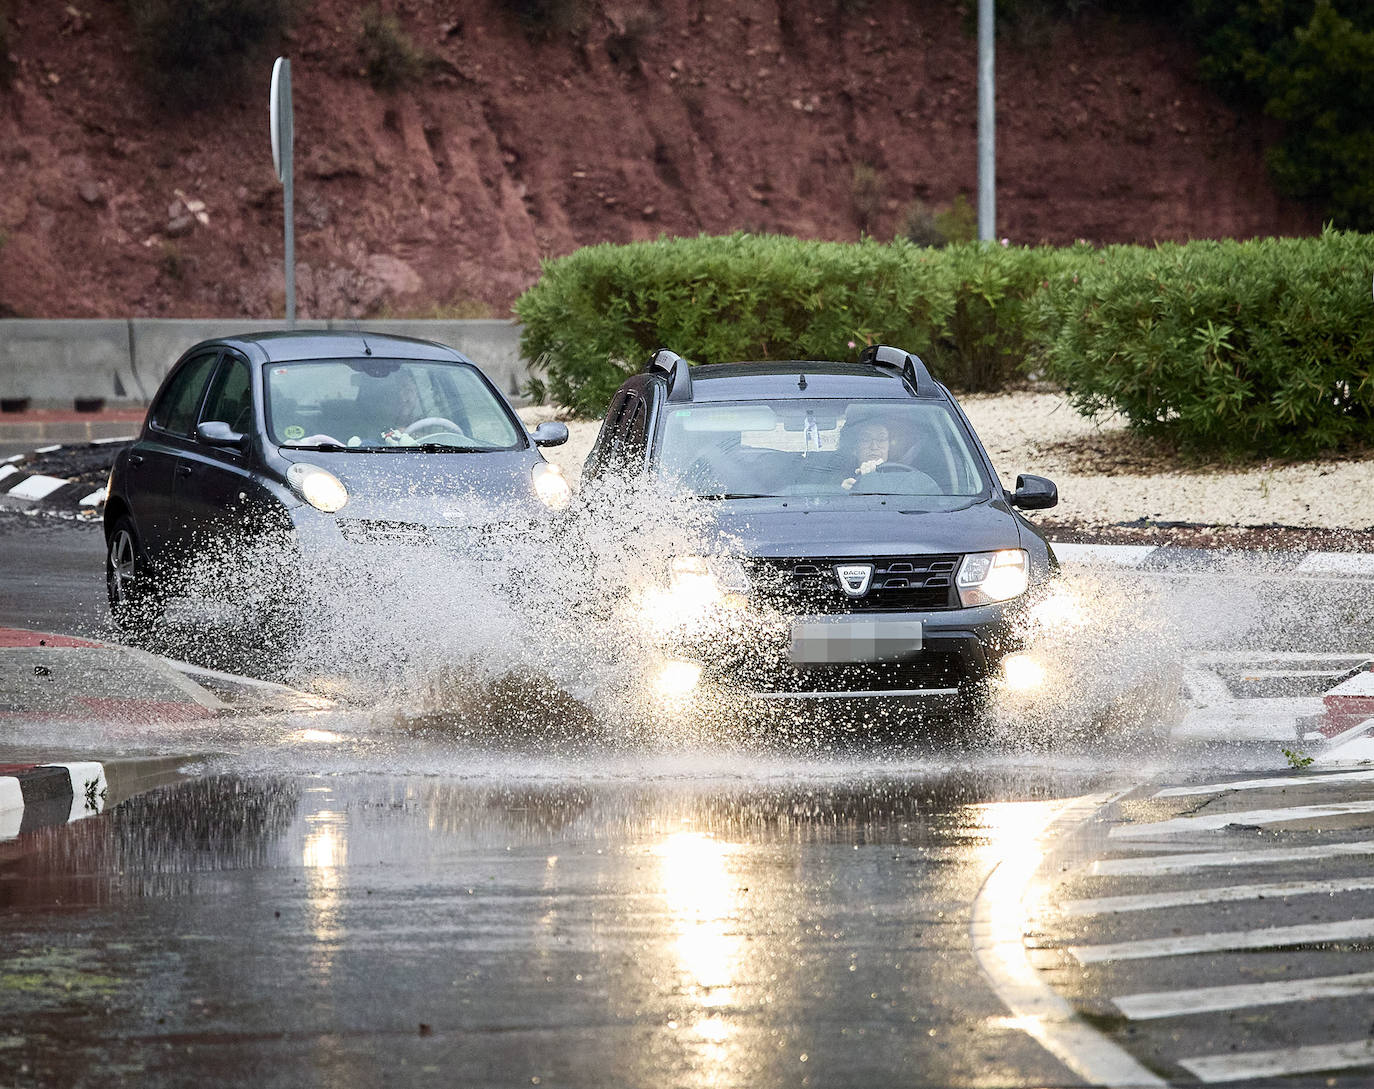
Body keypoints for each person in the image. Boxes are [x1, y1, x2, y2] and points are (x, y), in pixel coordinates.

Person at [837, 418, 890, 490]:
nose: (874, 446)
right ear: (854, 448)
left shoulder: (904, 476)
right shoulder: (837, 477)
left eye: (881, 439)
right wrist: (844, 492)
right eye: (866, 439)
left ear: (889, 446)